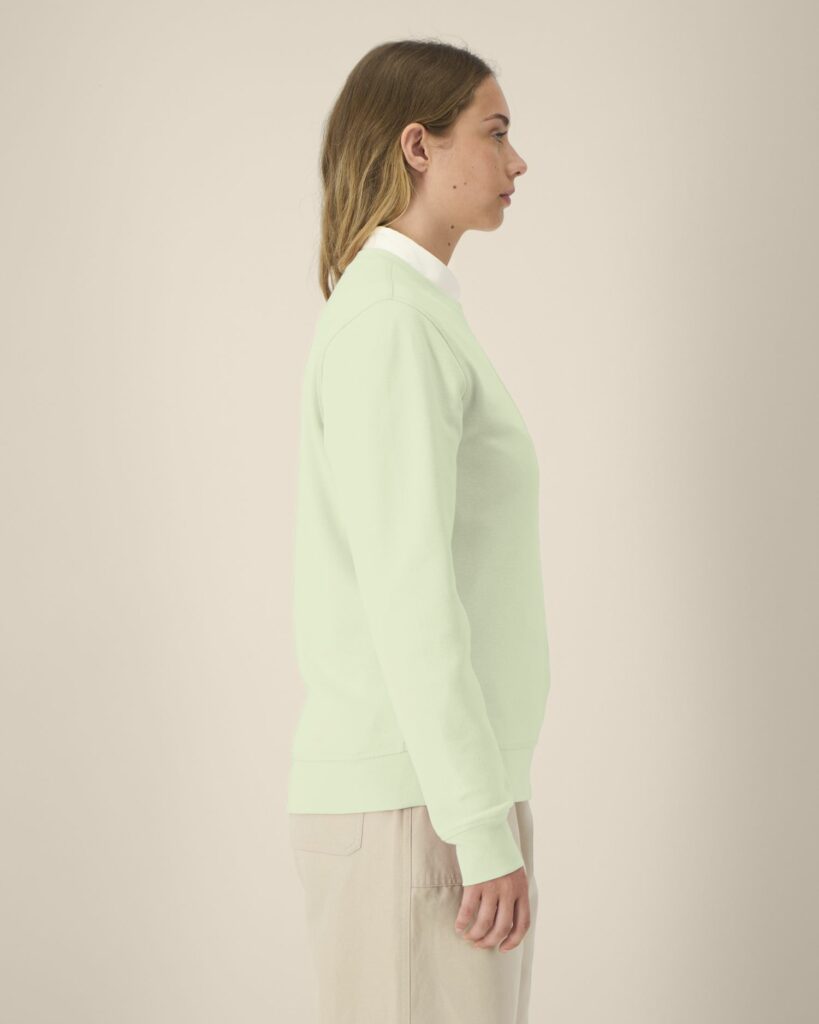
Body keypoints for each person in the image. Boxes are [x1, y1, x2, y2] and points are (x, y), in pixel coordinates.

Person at [286, 38, 551, 1024]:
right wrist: (478, 826)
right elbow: (411, 593)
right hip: (420, 806)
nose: (517, 160)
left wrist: (484, 813)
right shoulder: (392, 322)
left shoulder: (414, 313)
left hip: (434, 794)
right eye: (495, 131)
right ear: (417, 146)